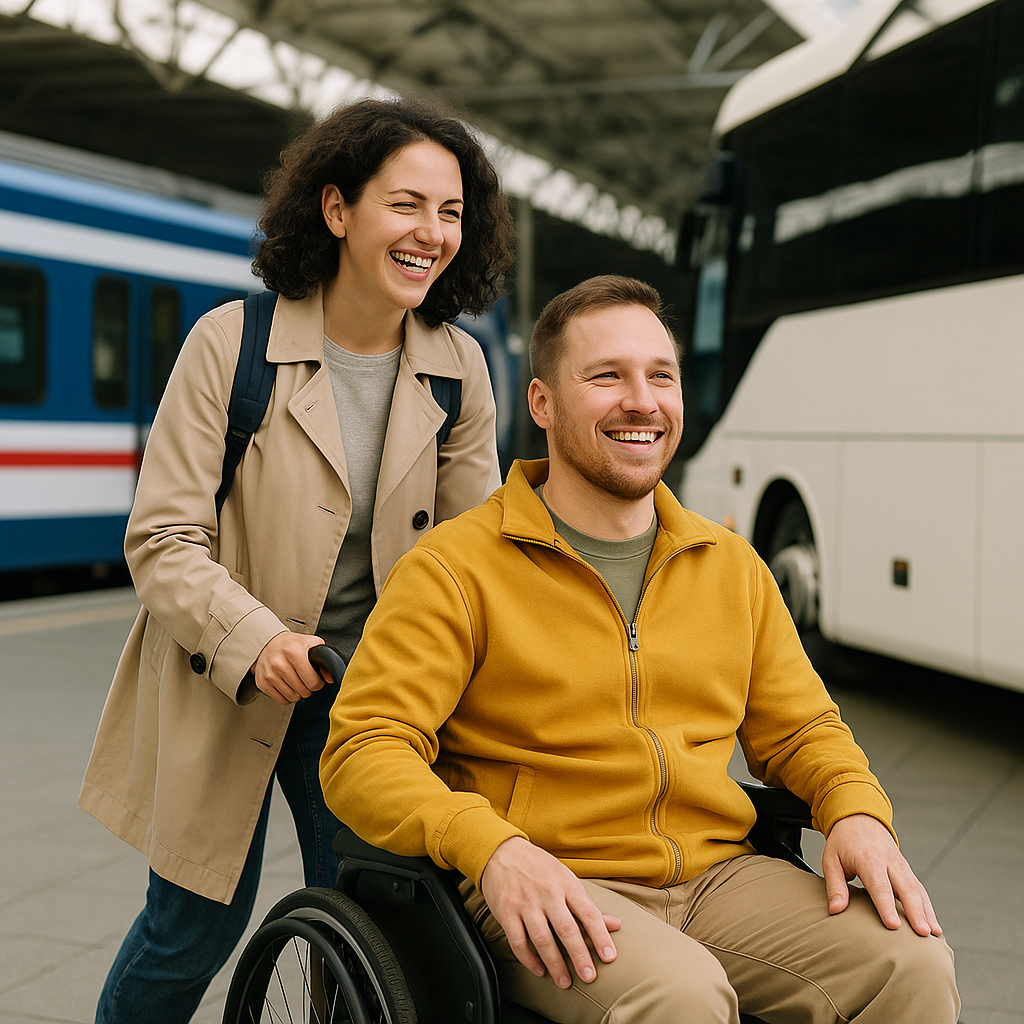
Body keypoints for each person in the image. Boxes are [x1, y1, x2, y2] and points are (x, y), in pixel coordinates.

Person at [320, 275, 960, 1024]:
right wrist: (489, 848)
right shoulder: (455, 569)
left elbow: (803, 729)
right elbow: (364, 749)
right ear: (543, 405)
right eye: (607, 377)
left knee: (912, 962)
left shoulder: (731, 565)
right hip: (549, 879)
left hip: (721, 878)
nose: (642, 401)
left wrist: (855, 812)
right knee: (680, 995)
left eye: (662, 376)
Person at [79, 96, 514, 1024]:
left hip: (372, 690)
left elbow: (479, 559)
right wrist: (260, 636)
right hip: (229, 673)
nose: (431, 233)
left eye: (450, 212)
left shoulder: (459, 369)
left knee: (367, 934)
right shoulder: (229, 345)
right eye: (406, 204)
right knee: (192, 924)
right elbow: (161, 539)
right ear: (336, 209)